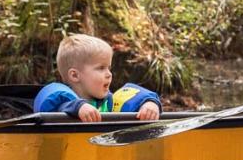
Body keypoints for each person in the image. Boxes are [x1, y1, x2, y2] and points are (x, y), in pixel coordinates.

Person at [33, 34, 162, 122]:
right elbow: (51, 102)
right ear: (75, 75)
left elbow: (131, 97)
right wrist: (78, 107)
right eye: (101, 68)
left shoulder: (110, 104)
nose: (109, 74)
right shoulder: (60, 102)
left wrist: (148, 104)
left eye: (108, 68)